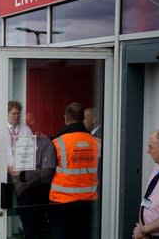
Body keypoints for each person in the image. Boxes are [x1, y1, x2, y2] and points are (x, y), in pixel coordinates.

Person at [48, 102, 98, 239]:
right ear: (83, 118)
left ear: (66, 119)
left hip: (62, 202)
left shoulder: (57, 143)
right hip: (89, 202)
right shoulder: (96, 143)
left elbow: (47, 174)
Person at [0, 100, 32, 239]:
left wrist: (21, 167)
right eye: (13, 113)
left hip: (21, 173)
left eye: (18, 113)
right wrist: (6, 168)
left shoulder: (26, 129)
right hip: (2, 172)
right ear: (6, 114)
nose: (16, 116)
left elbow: (30, 151)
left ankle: (28, 233)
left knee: (24, 203)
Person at [13, 133, 56, 239]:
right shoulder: (16, 140)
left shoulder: (45, 143)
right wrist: (15, 182)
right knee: (26, 223)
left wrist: (27, 185)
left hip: (37, 190)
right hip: (20, 189)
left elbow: (48, 172)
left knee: (37, 225)